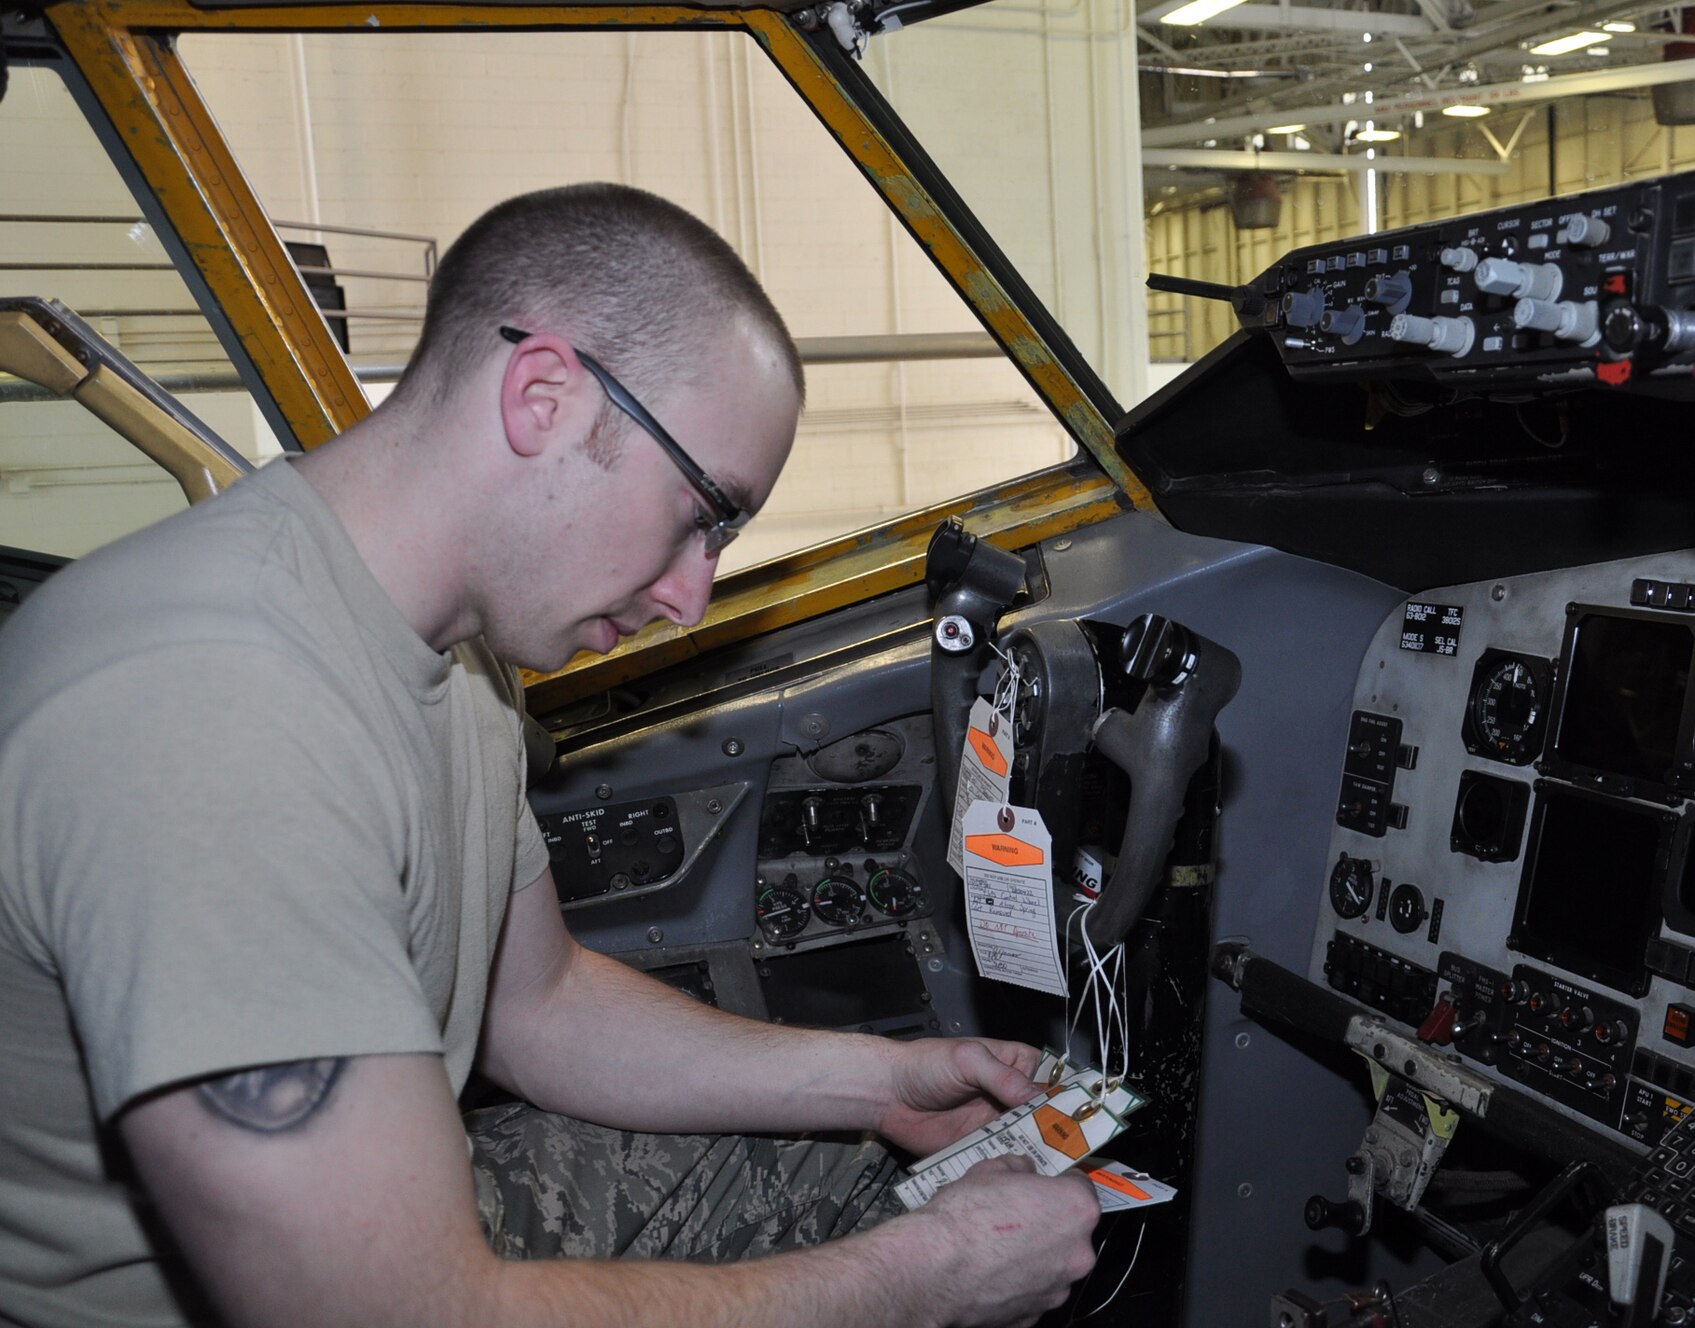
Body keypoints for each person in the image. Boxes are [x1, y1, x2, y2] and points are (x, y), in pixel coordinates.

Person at [0, 183, 1101, 1328]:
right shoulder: (215, 716)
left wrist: (878, 1083)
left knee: (898, 1178)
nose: (689, 596)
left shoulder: (453, 648)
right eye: (700, 514)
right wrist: (923, 1281)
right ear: (542, 396)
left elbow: (539, 1003)